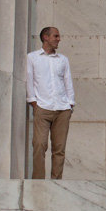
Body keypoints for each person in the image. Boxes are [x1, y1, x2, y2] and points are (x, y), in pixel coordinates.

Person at [26, 26, 75, 179]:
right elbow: (29, 80)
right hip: (43, 107)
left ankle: (56, 181)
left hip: (62, 108)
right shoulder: (32, 57)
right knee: (39, 145)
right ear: (46, 37)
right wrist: (34, 103)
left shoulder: (63, 59)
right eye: (56, 36)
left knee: (59, 148)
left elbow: (68, 82)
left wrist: (70, 103)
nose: (58, 39)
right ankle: (38, 181)